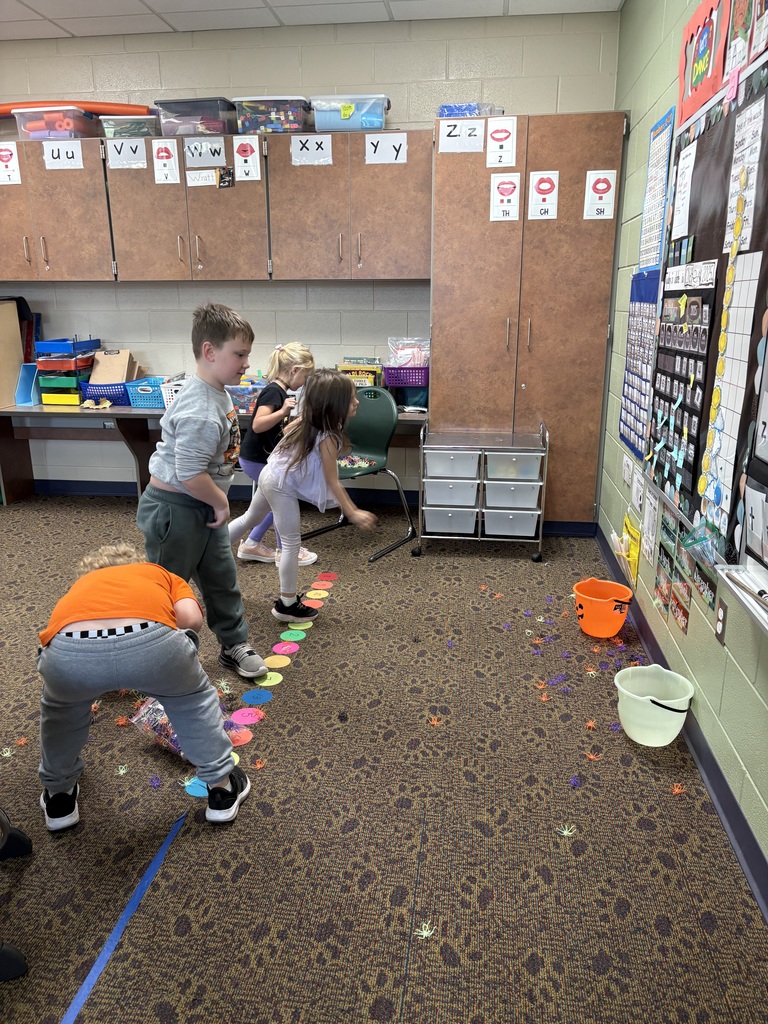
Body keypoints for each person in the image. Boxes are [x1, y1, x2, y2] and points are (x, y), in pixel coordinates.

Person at [36, 543, 250, 831]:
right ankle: (222, 788)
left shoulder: (81, 587)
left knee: (61, 714)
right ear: (138, 563)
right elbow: (191, 619)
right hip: (149, 642)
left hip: (70, 652)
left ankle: (59, 797)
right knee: (192, 701)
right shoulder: (159, 574)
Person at [137, 302, 267, 679]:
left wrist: (214, 501)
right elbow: (190, 473)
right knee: (169, 587)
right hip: (176, 509)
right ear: (209, 351)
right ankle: (162, 655)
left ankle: (233, 643)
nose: (246, 363)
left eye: (246, 355)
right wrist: (221, 501)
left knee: (221, 578)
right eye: (239, 354)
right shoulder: (200, 409)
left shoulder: (217, 391)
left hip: (201, 505)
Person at [229, 369, 377, 623]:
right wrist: (352, 511)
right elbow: (332, 480)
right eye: (351, 398)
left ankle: (210, 550)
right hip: (280, 484)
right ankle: (287, 604)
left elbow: (287, 433)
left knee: (249, 518)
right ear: (333, 404)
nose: (357, 402)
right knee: (290, 543)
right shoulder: (328, 435)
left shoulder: (308, 420)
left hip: (270, 474)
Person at [236, 343, 318, 568]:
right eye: (305, 376)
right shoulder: (274, 391)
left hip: (259, 458)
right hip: (256, 459)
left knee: (274, 503)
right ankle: (286, 551)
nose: (304, 382)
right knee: (282, 500)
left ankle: (252, 544)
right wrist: (283, 411)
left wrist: (300, 421)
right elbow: (258, 424)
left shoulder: (280, 391)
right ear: (294, 370)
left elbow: (278, 431)